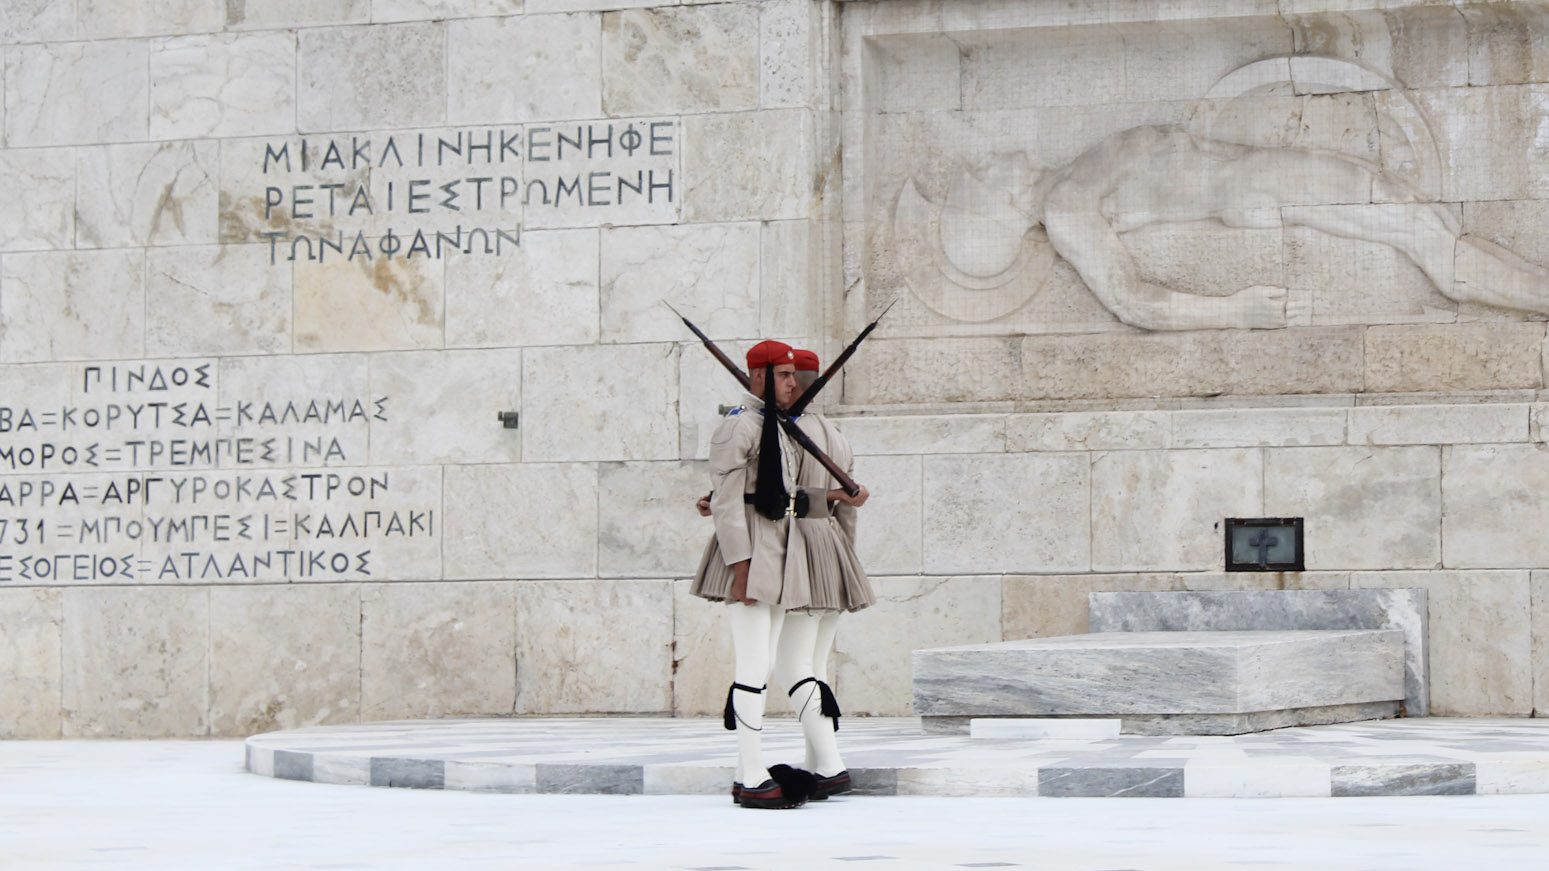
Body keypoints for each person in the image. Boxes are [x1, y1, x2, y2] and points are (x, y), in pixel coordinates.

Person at [690, 340, 870, 809]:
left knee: (777, 665)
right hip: (755, 550)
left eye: (795, 376)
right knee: (758, 667)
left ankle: (750, 772)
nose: (792, 384)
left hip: (783, 547)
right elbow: (731, 501)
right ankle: (752, 775)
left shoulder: (776, 425)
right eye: (784, 375)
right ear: (760, 376)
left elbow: (778, 493)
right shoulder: (740, 425)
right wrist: (740, 564)